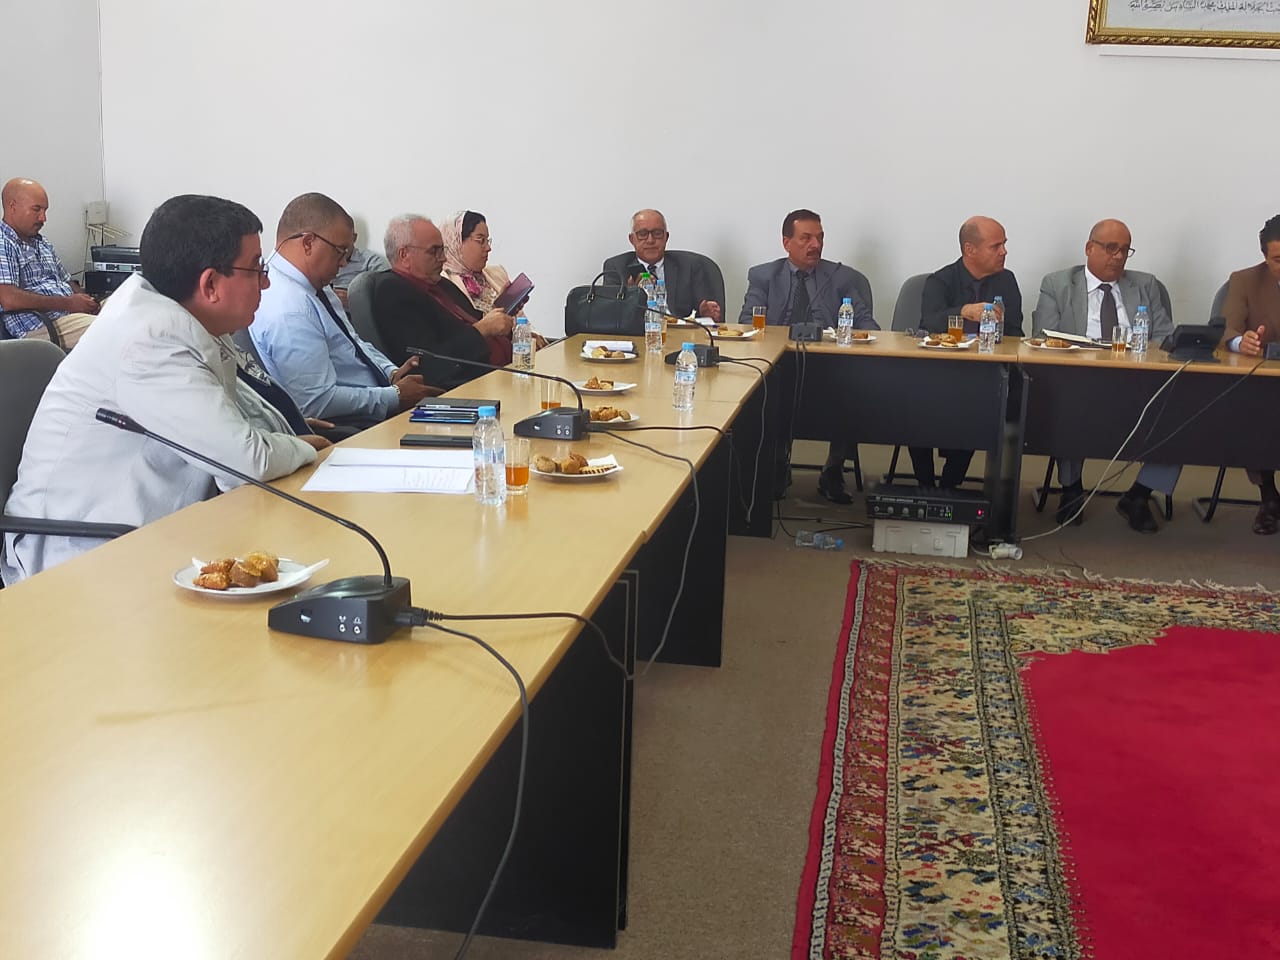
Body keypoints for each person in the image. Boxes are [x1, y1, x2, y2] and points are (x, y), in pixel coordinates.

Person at [1, 194, 324, 584]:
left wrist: (284, 435)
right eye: (256, 268)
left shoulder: (179, 316)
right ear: (210, 284)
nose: (266, 281)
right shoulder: (150, 339)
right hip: (77, 555)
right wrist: (306, 448)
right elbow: (246, 462)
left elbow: (233, 426)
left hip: (152, 528)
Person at [1032, 219, 1178, 532]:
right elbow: (1044, 337)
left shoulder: (1146, 285)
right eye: (1111, 248)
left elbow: (1166, 338)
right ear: (1089, 248)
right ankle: (1071, 488)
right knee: (1065, 401)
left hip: (1138, 380)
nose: (1119, 256)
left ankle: (1139, 495)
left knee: (1182, 412)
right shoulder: (1058, 284)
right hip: (1079, 379)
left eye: (1125, 250)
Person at [249, 193, 432, 430]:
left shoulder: (315, 284)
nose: (345, 262)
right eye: (341, 251)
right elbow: (317, 402)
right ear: (308, 243)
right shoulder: (288, 307)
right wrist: (394, 396)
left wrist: (390, 372)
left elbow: (353, 343)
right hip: (353, 427)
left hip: (376, 405)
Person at [739, 209, 878, 503]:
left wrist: (864, 335)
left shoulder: (841, 277)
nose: (815, 245)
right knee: (768, 389)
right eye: (806, 238)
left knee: (855, 389)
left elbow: (867, 323)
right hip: (780, 364)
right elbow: (748, 321)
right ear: (786, 243)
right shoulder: (763, 276)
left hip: (832, 366)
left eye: (820, 238)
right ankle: (778, 463)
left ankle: (833, 470)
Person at [911, 216, 1025, 490]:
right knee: (913, 404)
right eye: (996, 246)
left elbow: (1015, 333)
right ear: (969, 249)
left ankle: (949, 486)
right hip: (939, 373)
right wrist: (963, 311)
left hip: (984, 375)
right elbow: (929, 323)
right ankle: (925, 486)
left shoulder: (1006, 281)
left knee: (982, 405)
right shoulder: (940, 280)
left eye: (1004, 244)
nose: (1004, 251)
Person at [367, 214, 515, 389]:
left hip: (506, 369)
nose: (443, 258)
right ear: (404, 255)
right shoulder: (394, 292)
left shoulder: (441, 283)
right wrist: (482, 329)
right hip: (473, 385)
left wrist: (502, 314)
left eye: (443, 250)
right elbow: (430, 364)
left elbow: (476, 323)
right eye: (434, 251)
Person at [1221, 212, 1280, 535]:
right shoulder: (1245, 280)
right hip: (1264, 383)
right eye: (1278, 260)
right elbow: (1227, 329)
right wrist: (1240, 342)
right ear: (1265, 258)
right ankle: (1268, 496)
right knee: (1253, 409)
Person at [0, 177, 99, 346]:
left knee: (129, 310)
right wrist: (68, 303)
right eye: (36, 209)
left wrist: (89, 302)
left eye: (45, 210)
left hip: (70, 315)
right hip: (43, 328)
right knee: (112, 329)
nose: (43, 218)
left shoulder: (42, 242)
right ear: (12, 206)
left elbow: (67, 280)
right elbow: (8, 299)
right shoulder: (4, 242)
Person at [441, 210, 547, 346]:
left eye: (488, 241)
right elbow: (463, 337)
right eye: (481, 240)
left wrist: (528, 336)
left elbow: (521, 323)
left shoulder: (496, 273)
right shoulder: (443, 283)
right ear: (456, 242)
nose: (488, 248)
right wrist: (496, 311)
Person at [602, 209, 725, 321]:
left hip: (680, 334)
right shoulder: (616, 268)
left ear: (666, 237)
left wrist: (706, 314)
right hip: (637, 333)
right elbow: (611, 316)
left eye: (657, 233)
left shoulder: (690, 266)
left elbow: (703, 314)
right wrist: (632, 294)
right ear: (632, 239)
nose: (650, 240)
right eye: (643, 234)